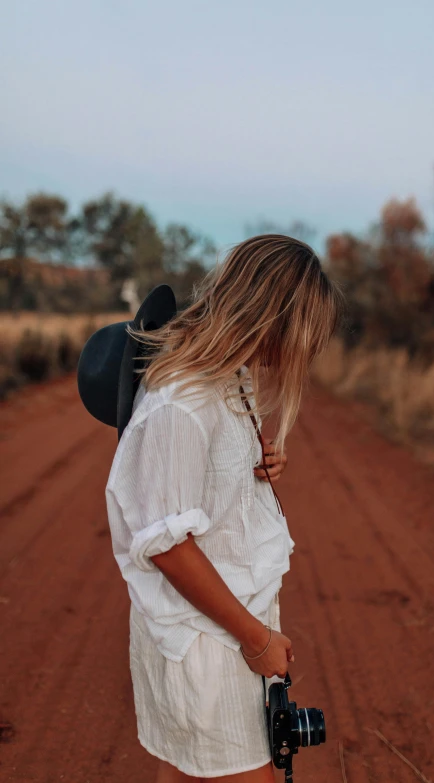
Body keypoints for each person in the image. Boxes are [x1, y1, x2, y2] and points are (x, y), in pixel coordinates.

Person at [105, 234, 343, 782]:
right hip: (206, 639)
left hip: (222, 624)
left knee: (187, 771)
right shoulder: (182, 402)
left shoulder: (227, 376)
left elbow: (202, 476)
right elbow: (166, 544)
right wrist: (258, 641)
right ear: (270, 319)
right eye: (299, 338)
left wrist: (255, 461)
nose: (297, 355)